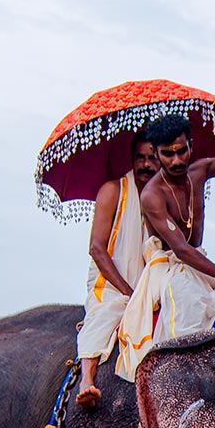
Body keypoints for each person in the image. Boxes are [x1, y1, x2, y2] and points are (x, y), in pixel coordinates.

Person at [112, 115, 215, 381]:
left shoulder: (199, 170)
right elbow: (181, 250)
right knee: (189, 307)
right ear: (157, 155)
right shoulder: (152, 195)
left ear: (190, 145)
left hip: (199, 260)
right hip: (169, 268)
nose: (177, 160)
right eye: (167, 154)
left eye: (181, 151)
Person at [75, 133, 160, 408]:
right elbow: (97, 248)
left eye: (152, 158)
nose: (146, 164)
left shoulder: (160, 197)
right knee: (107, 313)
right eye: (141, 158)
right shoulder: (113, 190)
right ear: (132, 159)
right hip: (110, 284)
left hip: (147, 283)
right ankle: (86, 379)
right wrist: (128, 292)